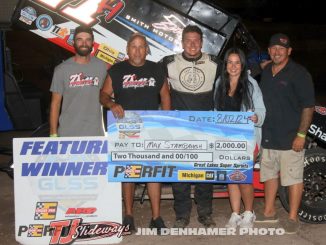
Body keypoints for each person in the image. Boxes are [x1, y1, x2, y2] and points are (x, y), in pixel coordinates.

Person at [100, 33, 171, 233]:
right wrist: (111, 103)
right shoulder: (116, 70)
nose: (138, 50)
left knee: (153, 172)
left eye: (142, 46)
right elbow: (103, 94)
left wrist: (164, 122)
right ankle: (128, 215)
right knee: (127, 172)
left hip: (151, 127)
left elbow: (165, 96)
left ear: (147, 49)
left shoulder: (156, 69)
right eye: (134, 46)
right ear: (127, 49)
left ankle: (156, 217)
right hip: (125, 128)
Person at [160, 25, 220, 228]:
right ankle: (182, 215)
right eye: (188, 40)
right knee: (181, 173)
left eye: (196, 40)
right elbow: (153, 85)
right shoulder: (168, 62)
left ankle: (205, 212)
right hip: (179, 128)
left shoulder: (215, 63)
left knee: (205, 173)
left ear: (202, 42)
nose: (192, 44)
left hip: (206, 128)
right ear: (182, 42)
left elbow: (235, 78)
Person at [255, 33, 315, 234]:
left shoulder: (299, 73)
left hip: (291, 138)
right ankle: (269, 210)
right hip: (268, 135)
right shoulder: (265, 72)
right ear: (269, 51)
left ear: (289, 51)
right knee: (269, 175)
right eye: (273, 48)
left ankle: (292, 216)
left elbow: (308, 107)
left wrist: (301, 135)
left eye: (282, 49)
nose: (277, 51)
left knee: (293, 178)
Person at [214, 47, 266, 228]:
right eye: (230, 62)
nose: (234, 66)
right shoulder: (220, 82)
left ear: (242, 65)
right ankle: (235, 214)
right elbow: (216, 110)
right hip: (227, 139)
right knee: (231, 177)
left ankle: (249, 213)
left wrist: (256, 117)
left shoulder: (251, 84)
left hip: (247, 139)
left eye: (237, 63)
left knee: (242, 176)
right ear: (225, 64)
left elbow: (261, 111)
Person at [49, 25, 107, 137]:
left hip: (95, 133)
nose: (84, 43)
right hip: (68, 134)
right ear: (73, 42)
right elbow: (55, 104)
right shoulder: (61, 69)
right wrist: (53, 134)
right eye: (79, 40)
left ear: (92, 43)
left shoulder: (101, 66)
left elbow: (108, 94)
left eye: (88, 40)